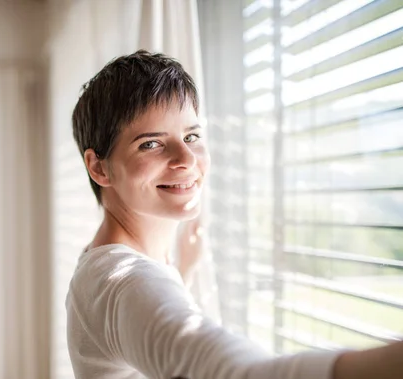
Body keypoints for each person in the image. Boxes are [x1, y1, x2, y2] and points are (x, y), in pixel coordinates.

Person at [65, 50, 403, 379]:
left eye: (191, 135)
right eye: (150, 143)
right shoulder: (120, 281)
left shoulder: (105, 261)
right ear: (99, 167)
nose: (187, 158)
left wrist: (182, 272)